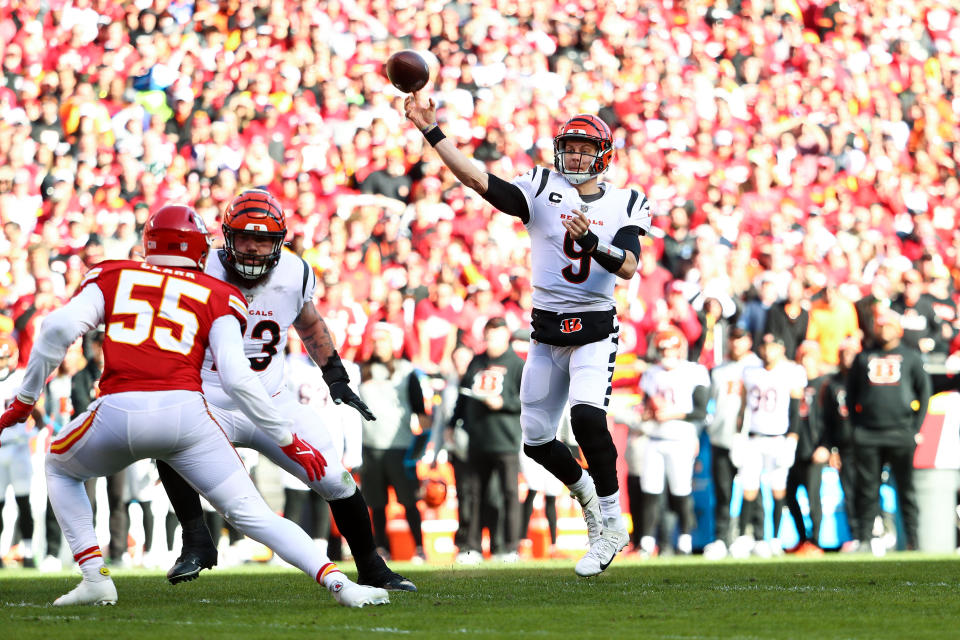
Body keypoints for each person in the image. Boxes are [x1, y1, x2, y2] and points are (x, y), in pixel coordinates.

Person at [0, 204, 388, 608]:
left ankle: (95, 575)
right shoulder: (216, 292)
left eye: (263, 240)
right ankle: (340, 585)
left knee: (60, 467)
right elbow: (240, 379)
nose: (253, 249)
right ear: (206, 249)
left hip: (121, 407)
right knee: (255, 515)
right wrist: (289, 440)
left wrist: (25, 400)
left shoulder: (113, 273)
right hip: (192, 413)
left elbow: (56, 328)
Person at [403, 96, 650, 576]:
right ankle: (587, 501)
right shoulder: (541, 185)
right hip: (545, 330)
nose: (575, 157)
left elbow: (629, 266)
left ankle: (613, 523)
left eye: (584, 149)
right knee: (536, 442)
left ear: (603, 155)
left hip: (595, 327)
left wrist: (593, 244)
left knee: (586, 419)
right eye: (570, 148)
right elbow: (480, 181)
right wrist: (433, 132)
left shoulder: (627, 201)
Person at [156, 190, 416, 592]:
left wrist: (336, 377)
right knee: (166, 431)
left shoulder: (295, 272)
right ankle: (196, 540)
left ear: (280, 242)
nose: (254, 248)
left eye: (263, 239)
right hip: (208, 401)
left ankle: (371, 566)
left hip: (271, 400)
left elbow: (310, 326)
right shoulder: (199, 266)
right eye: (245, 237)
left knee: (336, 479)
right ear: (227, 236)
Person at [846, 309, 930, 552]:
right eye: (880, 325)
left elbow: (924, 393)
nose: (884, 330)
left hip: (901, 433)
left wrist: (915, 427)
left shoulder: (911, 357)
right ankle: (863, 540)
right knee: (867, 490)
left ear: (898, 328)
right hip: (868, 434)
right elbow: (851, 396)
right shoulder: (863, 358)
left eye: (888, 325)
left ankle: (913, 542)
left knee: (906, 490)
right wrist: (857, 426)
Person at [450, 316, 525, 562]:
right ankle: (471, 547)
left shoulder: (517, 364)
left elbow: (528, 401)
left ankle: (509, 547)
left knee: (507, 494)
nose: (491, 340)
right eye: (488, 335)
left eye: (496, 334)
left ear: (506, 335)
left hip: (505, 440)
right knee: (472, 494)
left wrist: (504, 403)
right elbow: (463, 395)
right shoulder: (477, 361)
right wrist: (453, 423)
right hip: (478, 439)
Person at [356, 323, 430, 561]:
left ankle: (419, 548)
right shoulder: (361, 371)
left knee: (409, 502)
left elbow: (421, 411)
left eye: (384, 340)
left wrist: (423, 450)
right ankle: (382, 549)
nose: (379, 345)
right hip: (371, 447)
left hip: (400, 448)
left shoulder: (407, 371)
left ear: (394, 344)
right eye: (375, 341)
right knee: (376, 504)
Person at [730, 333, 806, 558]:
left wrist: (792, 439)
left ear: (782, 349)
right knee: (749, 487)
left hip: (777, 438)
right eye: (765, 346)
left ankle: (775, 538)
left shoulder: (791, 372)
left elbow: (796, 410)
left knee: (778, 489)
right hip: (754, 437)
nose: (768, 351)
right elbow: (743, 406)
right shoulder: (750, 371)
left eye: (773, 346)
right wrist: (738, 436)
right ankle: (745, 537)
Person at [635, 328, 709, 557]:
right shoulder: (651, 373)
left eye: (671, 347)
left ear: (680, 349)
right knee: (650, 490)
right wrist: (647, 412)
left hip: (680, 438)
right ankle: (647, 541)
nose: (667, 352)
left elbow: (700, 411)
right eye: (663, 348)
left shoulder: (694, 371)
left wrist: (672, 413)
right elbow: (645, 405)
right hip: (655, 437)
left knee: (680, 491)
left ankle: (685, 538)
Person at [703, 328, 760, 560]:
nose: (736, 343)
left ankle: (754, 536)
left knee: (752, 488)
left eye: (741, 338)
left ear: (749, 340)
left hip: (750, 437)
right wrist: (711, 425)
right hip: (722, 437)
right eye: (734, 339)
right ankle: (722, 537)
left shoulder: (758, 366)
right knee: (723, 491)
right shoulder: (719, 370)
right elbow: (710, 403)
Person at [784, 341, 830, 555]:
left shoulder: (824, 384)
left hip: (814, 450)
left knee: (813, 499)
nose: (806, 361)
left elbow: (831, 419)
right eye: (802, 357)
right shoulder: (791, 383)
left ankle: (816, 541)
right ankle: (802, 538)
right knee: (789, 496)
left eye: (810, 356)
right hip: (792, 449)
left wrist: (826, 446)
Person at [0, 333, 40, 568]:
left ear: (12, 357)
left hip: (18, 448)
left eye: (4, 358)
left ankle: (27, 551)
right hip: (1, 449)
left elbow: (38, 411)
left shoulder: (21, 379)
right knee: (0, 504)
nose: (1, 363)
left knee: (24, 501)